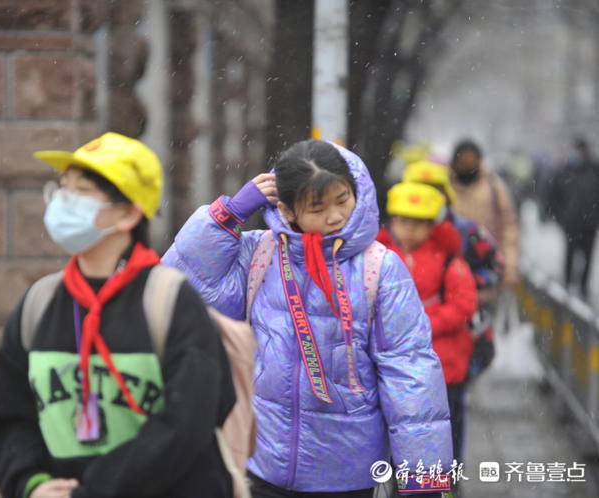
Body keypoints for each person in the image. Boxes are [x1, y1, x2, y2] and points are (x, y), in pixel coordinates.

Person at [163, 139, 452, 497]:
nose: (334, 216)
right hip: (260, 461)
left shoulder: (380, 267)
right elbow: (180, 283)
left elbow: (410, 372)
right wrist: (228, 214)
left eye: (342, 199)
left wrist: (424, 479)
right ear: (287, 210)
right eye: (317, 207)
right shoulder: (260, 254)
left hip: (348, 473)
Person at [0, 132, 236, 498]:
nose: (63, 202)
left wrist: (96, 490)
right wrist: (30, 484)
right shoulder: (39, 303)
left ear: (129, 213)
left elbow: (190, 422)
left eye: (81, 191)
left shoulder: (171, 302)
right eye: (61, 188)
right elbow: (8, 418)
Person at [376, 182, 479, 469]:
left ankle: (447, 481)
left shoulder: (448, 259)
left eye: (419, 223)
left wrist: (421, 323)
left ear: (432, 225)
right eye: (403, 221)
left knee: (445, 432)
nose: (409, 229)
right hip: (397, 367)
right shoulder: (378, 256)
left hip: (443, 366)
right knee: (401, 436)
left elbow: (464, 304)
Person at [402, 160, 503, 379]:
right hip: (405, 349)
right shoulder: (394, 235)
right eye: (418, 189)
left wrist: (460, 284)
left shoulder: (466, 230)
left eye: (435, 191)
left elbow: (496, 266)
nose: (426, 197)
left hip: (456, 344)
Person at [449, 139, 520, 336]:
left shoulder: (494, 187)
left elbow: (509, 228)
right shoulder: (444, 188)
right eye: (463, 161)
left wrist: (510, 266)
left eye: (471, 161)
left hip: (485, 274)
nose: (467, 165)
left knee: (479, 334)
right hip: (450, 276)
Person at [547, 137, 599, 298]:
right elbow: (553, 195)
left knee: (587, 257)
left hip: (589, 224)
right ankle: (567, 285)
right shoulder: (565, 170)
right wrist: (559, 216)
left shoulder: (594, 170)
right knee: (569, 255)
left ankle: (583, 288)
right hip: (570, 223)